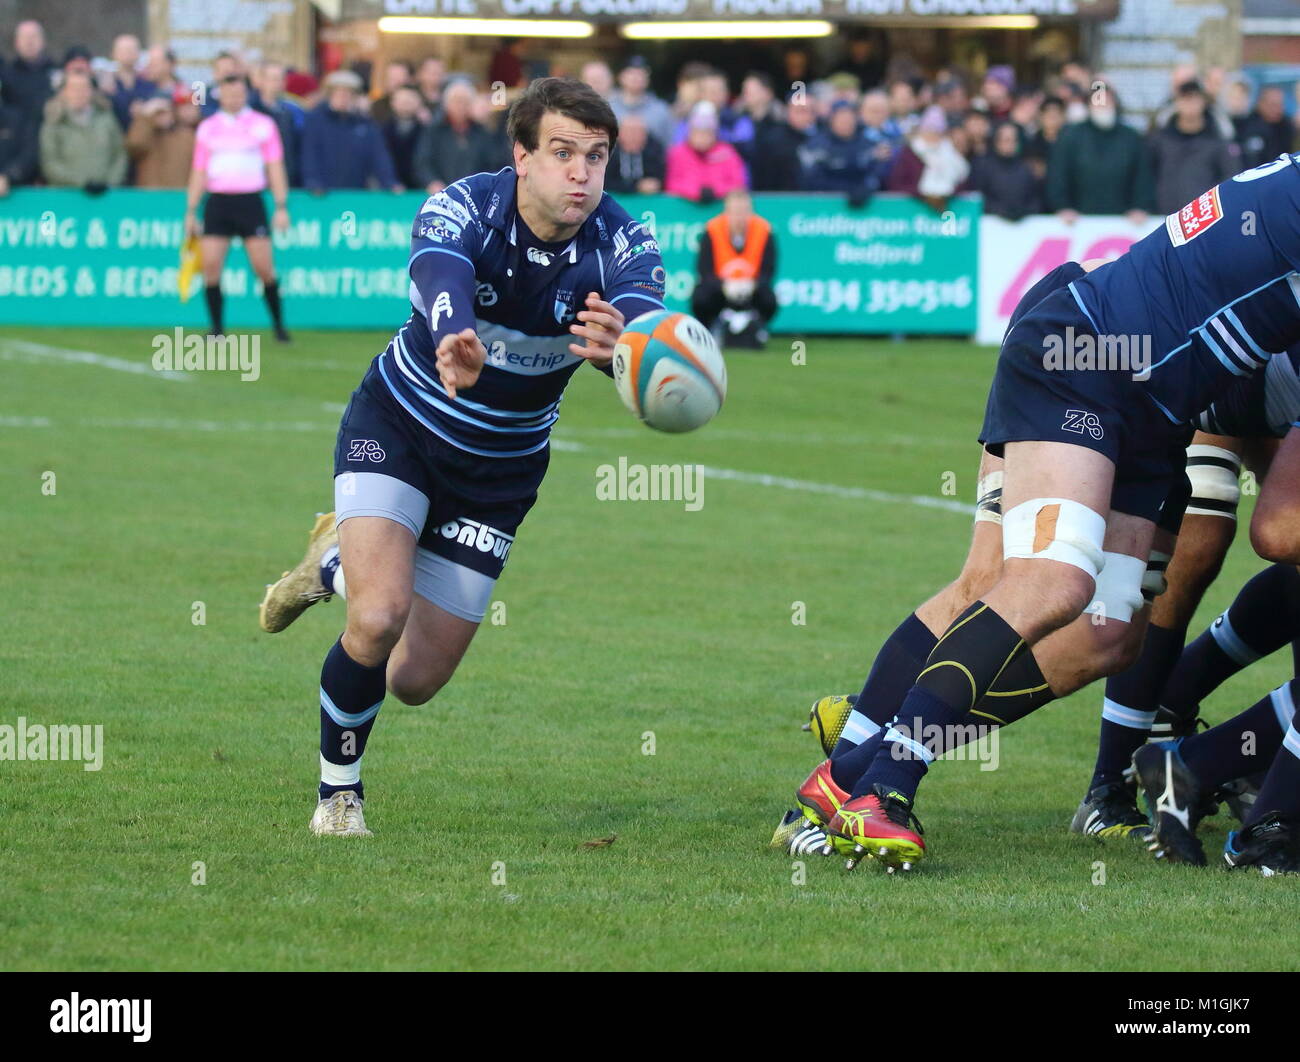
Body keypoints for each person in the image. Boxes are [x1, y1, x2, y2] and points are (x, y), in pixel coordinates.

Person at [777, 151, 1300, 872]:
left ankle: (848, 769)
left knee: (1109, 637)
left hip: (1155, 408)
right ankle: (883, 787)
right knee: (1041, 580)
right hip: (1086, 351)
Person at [255, 78, 668, 838]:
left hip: (500, 475)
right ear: (521, 157)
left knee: (414, 679)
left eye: (598, 157)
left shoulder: (624, 240)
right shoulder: (466, 204)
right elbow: (437, 273)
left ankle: (332, 567)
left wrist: (633, 354)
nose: (582, 173)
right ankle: (339, 794)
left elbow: (651, 326)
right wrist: (453, 334)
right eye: (562, 153)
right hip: (400, 428)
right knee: (379, 619)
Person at [186, 69, 289, 340]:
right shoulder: (208, 127)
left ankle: (278, 326)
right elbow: (199, 169)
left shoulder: (263, 124)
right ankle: (217, 328)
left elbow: (275, 166)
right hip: (218, 201)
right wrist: (192, 208)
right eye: (228, 93)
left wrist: (280, 205)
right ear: (221, 95)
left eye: (239, 93)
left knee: (263, 268)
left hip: (250, 201)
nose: (233, 98)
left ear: (246, 94)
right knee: (210, 266)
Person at [1046, 81, 1153, 224]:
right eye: (1098, 101)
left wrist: (1140, 206)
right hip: (1078, 222)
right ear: (1089, 105)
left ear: (1115, 103)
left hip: (1123, 223)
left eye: (1107, 100)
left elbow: (1143, 176)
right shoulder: (1071, 136)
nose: (1103, 105)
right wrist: (1062, 206)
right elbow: (1058, 174)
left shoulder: (1131, 137)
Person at [691, 188, 776, 348]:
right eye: (735, 211)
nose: (740, 216)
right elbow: (704, 271)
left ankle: (757, 328)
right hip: (721, 290)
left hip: (751, 290)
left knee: (769, 298)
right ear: (727, 211)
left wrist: (752, 285)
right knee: (700, 296)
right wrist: (724, 286)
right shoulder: (712, 230)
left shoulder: (764, 230)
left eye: (744, 211)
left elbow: (768, 271)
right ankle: (710, 330)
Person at [301, 69, 399, 192]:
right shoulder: (315, 120)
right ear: (330, 94)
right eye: (338, 93)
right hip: (322, 194)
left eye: (348, 93)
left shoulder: (365, 124)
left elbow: (379, 156)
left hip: (355, 193)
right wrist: (312, 181)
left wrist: (389, 182)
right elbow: (309, 155)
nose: (343, 97)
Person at [1150, 80, 1236, 217]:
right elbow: (1147, 176)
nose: (1190, 105)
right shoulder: (1160, 140)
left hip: (1204, 220)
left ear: (1203, 102)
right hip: (1162, 218)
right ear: (1176, 103)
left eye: (1195, 99)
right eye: (1185, 99)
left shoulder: (1217, 141)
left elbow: (1229, 178)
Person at [38, 70, 126, 190]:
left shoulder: (106, 119)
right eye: (74, 89)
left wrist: (110, 182)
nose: (79, 93)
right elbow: (50, 162)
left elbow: (119, 154)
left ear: (92, 92)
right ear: (64, 92)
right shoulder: (54, 122)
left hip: (105, 195)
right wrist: (81, 182)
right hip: (67, 195)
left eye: (84, 88)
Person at [413, 79, 503, 194]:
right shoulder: (434, 131)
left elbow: (494, 164)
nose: (461, 106)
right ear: (446, 104)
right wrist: (432, 182)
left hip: (474, 194)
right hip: (440, 194)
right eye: (456, 101)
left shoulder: (482, 132)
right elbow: (422, 162)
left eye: (465, 102)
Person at [886, 104, 970, 212]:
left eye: (937, 132)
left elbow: (962, 181)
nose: (932, 135)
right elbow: (897, 185)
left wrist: (946, 193)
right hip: (911, 211)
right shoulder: (909, 153)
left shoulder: (950, 154)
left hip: (945, 210)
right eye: (929, 131)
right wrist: (923, 194)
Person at [664, 102, 747, 202]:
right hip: (684, 211)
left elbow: (738, 183)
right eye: (698, 132)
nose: (702, 137)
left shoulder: (727, 153)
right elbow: (671, 183)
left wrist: (715, 191)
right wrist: (696, 192)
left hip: (721, 211)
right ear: (690, 132)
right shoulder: (677, 153)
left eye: (707, 132)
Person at [970, 121, 1042, 220]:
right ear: (996, 142)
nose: (1010, 144)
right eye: (1006, 140)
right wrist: (1000, 211)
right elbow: (977, 197)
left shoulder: (1026, 169)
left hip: (1023, 227)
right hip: (990, 226)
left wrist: (1023, 212)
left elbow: (1035, 199)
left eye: (1014, 140)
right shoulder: (983, 166)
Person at [125, 91, 196, 188]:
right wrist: (145, 119)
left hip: (179, 195)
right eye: (157, 113)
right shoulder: (146, 136)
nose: (162, 116)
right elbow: (134, 145)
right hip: (150, 196)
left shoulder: (187, 136)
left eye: (166, 111)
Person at [609, 56, 673, 149]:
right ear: (620, 76)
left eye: (641, 73)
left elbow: (669, 146)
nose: (636, 77)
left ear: (648, 79)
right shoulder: (607, 108)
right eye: (631, 73)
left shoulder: (661, 110)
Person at [100, 34, 155, 129]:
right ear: (113, 54)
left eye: (132, 50)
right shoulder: (107, 84)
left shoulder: (148, 82)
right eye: (123, 50)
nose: (128, 54)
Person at [1235, 84, 1293, 171]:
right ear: (1261, 104)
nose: (1278, 110)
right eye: (1273, 105)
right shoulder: (1247, 127)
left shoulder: (1287, 126)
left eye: (1280, 105)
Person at [382, 84, 429, 190]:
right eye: (402, 100)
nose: (406, 103)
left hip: (422, 188)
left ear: (419, 102)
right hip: (390, 189)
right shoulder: (382, 130)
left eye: (410, 100)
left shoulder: (428, 131)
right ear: (392, 103)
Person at [605, 113, 664, 195]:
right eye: (630, 133)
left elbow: (660, 178)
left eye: (638, 133)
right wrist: (636, 186)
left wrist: (655, 184)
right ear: (619, 135)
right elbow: (605, 182)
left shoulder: (654, 150)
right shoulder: (609, 150)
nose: (634, 137)